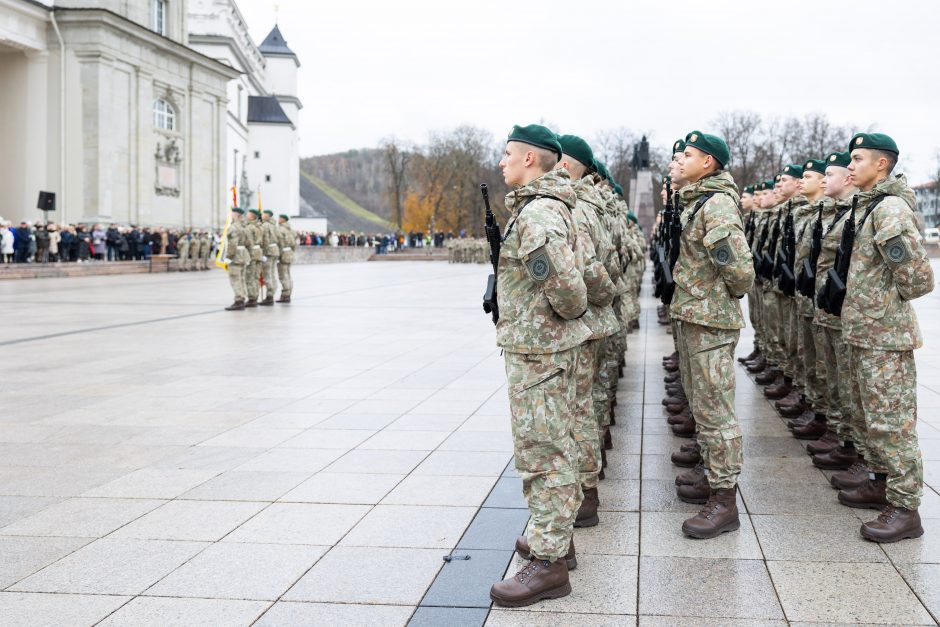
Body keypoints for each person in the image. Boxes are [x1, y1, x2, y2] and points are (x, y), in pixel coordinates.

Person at [488, 124, 589, 607]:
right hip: (542, 349)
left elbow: (570, 290)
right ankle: (558, 539)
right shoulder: (551, 206)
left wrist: (553, 320)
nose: (502, 162)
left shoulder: (538, 214)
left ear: (530, 159)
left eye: (509, 154)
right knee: (555, 445)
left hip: (540, 351)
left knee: (543, 452)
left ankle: (548, 565)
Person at [837, 133, 933, 542]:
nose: (850, 165)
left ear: (881, 165)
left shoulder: (890, 209)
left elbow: (917, 278)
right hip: (865, 332)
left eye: (858, 159)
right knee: (871, 420)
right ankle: (881, 482)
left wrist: (881, 304)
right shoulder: (869, 206)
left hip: (884, 336)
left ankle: (906, 508)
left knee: (891, 424)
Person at [670, 131, 754, 539]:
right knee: (703, 408)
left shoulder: (717, 205)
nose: (681, 160)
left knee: (716, 411)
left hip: (711, 322)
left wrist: (715, 298)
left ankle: (724, 500)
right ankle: (710, 473)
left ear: (708, 163)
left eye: (689, 154)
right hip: (694, 317)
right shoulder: (698, 202)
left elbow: (739, 271)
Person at [554, 134, 620, 529]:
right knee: (583, 408)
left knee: (577, 412)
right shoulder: (586, 206)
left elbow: (591, 268)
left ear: (565, 164)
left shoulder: (577, 209)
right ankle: (584, 492)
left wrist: (597, 300)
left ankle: (583, 495)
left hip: (581, 324)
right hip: (589, 321)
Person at [224, 208, 249, 310]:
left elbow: (232, 244)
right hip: (243, 254)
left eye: (232, 213)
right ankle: (242, 298)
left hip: (236, 256)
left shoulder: (234, 227)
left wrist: (229, 257)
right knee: (242, 278)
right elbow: (248, 242)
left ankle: (239, 300)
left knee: (235, 278)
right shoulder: (245, 227)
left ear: (236, 215)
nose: (231, 215)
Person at [244, 209, 264, 307]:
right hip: (259, 253)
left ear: (252, 216)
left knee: (250, 277)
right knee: (256, 277)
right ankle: (255, 296)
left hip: (251, 253)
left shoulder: (249, 227)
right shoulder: (260, 227)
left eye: (248, 214)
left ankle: (252, 298)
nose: (246, 215)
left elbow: (248, 242)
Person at [260, 210, 280, 305]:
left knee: (267, 274)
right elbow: (280, 238)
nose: (262, 215)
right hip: (275, 250)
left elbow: (265, 239)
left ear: (267, 216)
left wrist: (263, 252)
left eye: (263, 214)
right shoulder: (275, 225)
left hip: (268, 252)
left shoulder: (265, 225)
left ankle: (269, 296)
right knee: (272, 274)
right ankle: (272, 293)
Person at [276, 214, 296, 303]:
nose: (278, 220)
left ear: (282, 220)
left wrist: (278, 255)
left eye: (279, 218)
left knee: (283, 275)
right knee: (288, 275)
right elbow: (294, 244)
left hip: (283, 254)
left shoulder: (280, 229)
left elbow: (280, 243)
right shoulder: (291, 230)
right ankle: (288, 293)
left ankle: (285, 295)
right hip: (290, 253)